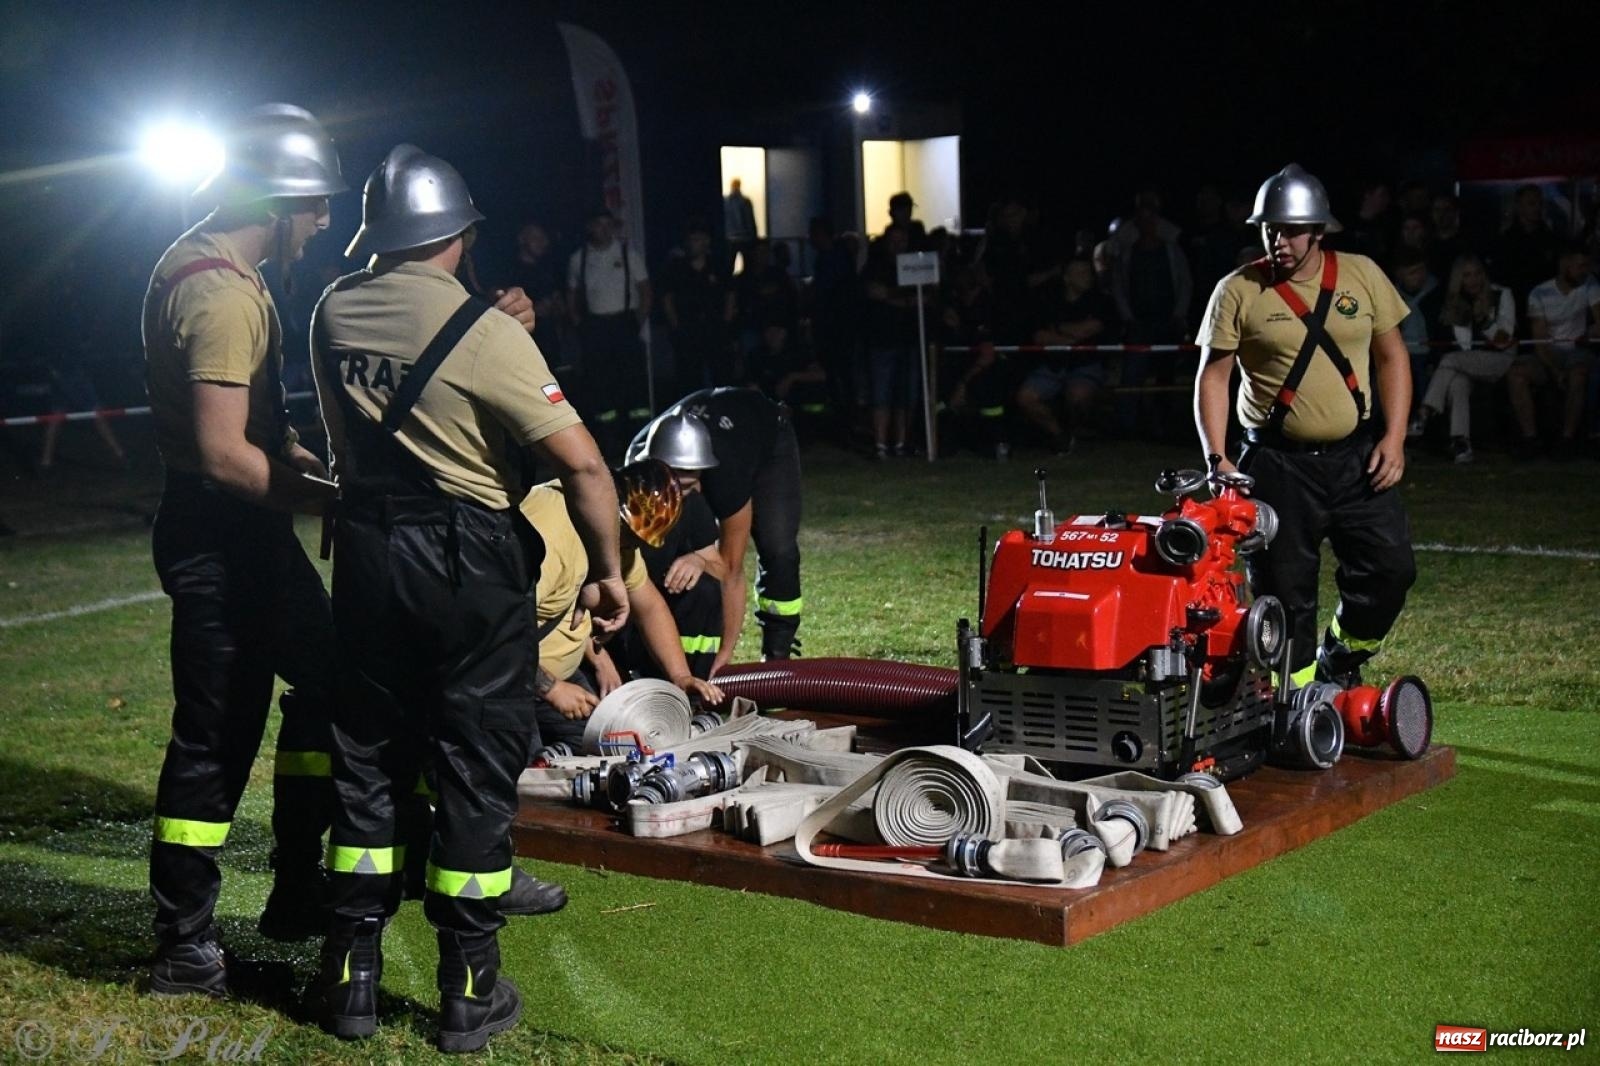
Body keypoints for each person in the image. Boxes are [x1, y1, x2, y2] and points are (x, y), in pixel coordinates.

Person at [310, 144, 627, 1052]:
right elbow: (582, 465)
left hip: (367, 549)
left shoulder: (331, 309)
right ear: (459, 234)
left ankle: (351, 979)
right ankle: (469, 989)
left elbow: (345, 444)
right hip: (466, 558)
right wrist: (607, 569)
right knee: (475, 760)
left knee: (366, 757)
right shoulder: (488, 332)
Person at [140, 103, 346, 998]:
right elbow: (225, 454)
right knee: (216, 736)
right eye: (315, 203)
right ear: (276, 199)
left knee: (330, 682)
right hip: (222, 539)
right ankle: (184, 946)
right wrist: (330, 501)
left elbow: (256, 428)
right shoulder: (223, 295)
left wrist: (310, 465)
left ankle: (296, 885)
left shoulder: (214, 265)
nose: (325, 220)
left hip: (238, 534)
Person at [1194, 163, 1416, 690]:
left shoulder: (1362, 274)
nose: (1280, 241)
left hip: (1356, 459)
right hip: (1276, 465)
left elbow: (1392, 357)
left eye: (1292, 231)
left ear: (1318, 231)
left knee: (1391, 569)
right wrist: (1217, 457)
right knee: (1285, 593)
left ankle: (1340, 656)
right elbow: (1214, 377)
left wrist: (1394, 437)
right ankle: (1292, 702)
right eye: (1271, 230)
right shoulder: (1237, 290)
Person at [521, 459, 724, 747]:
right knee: (519, 768)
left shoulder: (611, 534)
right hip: (506, 678)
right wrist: (551, 688)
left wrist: (680, 677)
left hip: (557, 675)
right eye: (628, 536)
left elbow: (650, 608)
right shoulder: (552, 533)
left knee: (613, 750)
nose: (629, 548)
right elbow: (492, 627)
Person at [631, 391, 801, 669]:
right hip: (709, 426)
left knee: (777, 547)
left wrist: (725, 652)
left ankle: (777, 652)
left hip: (766, 436)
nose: (678, 494)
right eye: (669, 483)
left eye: (687, 486)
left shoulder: (726, 475)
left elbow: (731, 569)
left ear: (702, 472)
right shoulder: (636, 467)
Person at [1407, 254, 1516, 463]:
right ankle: (1461, 444)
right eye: (1467, 275)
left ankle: (1424, 412)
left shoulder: (1501, 294)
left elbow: (1504, 341)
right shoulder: (1454, 302)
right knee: (1458, 383)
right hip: (1466, 363)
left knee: (1450, 360)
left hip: (1499, 359)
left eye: (1477, 274)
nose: (1473, 280)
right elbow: (1459, 345)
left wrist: (1483, 320)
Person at [567, 207, 652, 456]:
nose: (603, 230)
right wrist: (578, 322)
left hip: (624, 324)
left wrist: (637, 321)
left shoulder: (627, 254)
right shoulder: (579, 258)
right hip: (595, 327)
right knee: (601, 386)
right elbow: (571, 293)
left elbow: (646, 290)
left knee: (633, 384)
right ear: (590, 227)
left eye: (608, 225)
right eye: (598, 224)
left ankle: (639, 438)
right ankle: (608, 442)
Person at [1016, 256, 1120, 454]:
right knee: (1025, 398)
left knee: (1078, 396)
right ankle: (1059, 435)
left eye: (1088, 272)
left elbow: (1089, 329)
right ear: (1067, 277)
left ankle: (1078, 432)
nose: (1087, 277)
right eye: (1080, 273)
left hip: (1086, 363)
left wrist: (1057, 329)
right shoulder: (1049, 301)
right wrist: (1071, 336)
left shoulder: (1102, 301)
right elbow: (1039, 336)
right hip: (1054, 364)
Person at [1508, 243, 1600, 458]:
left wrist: (1590, 334)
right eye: (1580, 266)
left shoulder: (1590, 284)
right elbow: (1540, 340)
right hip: (1548, 353)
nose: (1584, 271)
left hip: (1578, 350)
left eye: (1587, 266)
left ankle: (1567, 440)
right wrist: (1554, 370)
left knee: (1578, 374)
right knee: (1516, 374)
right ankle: (1530, 439)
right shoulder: (1539, 293)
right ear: (1564, 264)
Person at [658, 218, 726, 398]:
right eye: (690, 239)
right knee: (689, 377)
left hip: (713, 329)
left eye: (696, 239)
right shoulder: (677, 267)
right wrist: (676, 326)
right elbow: (667, 298)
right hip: (688, 330)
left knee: (719, 374)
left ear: (706, 241)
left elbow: (730, 294)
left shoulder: (717, 265)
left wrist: (725, 323)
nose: (692, 244)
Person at [724, 177, 758, 274]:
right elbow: (750, 220)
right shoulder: (745, 201)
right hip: (743, 237)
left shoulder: (726, 201)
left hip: (731, 237)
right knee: (747, 266)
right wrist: (753, 236)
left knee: (730, 265)